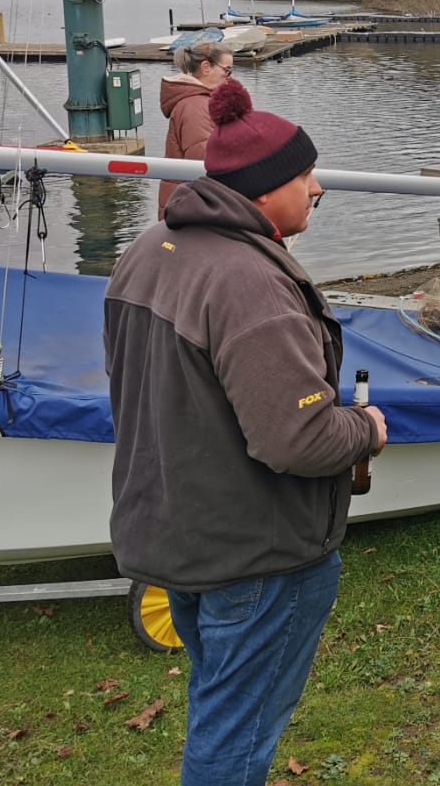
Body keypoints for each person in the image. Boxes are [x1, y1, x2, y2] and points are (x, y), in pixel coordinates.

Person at [104, 77, 386, 786]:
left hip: (179, 537)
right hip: (256, 558)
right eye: (305, 175)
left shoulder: (146, 251)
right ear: (264, 189)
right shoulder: (249, 285)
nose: (317, 187)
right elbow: (295, 440)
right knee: (234, 740)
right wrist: (367, 428)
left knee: (220, 705)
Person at [157, 41, 234, 219]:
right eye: (227, 71)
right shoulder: (196, 107)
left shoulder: (194, 102)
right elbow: (203, 164)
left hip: (183, 206)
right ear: (206, 67)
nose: (229, 78)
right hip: (191, 212)